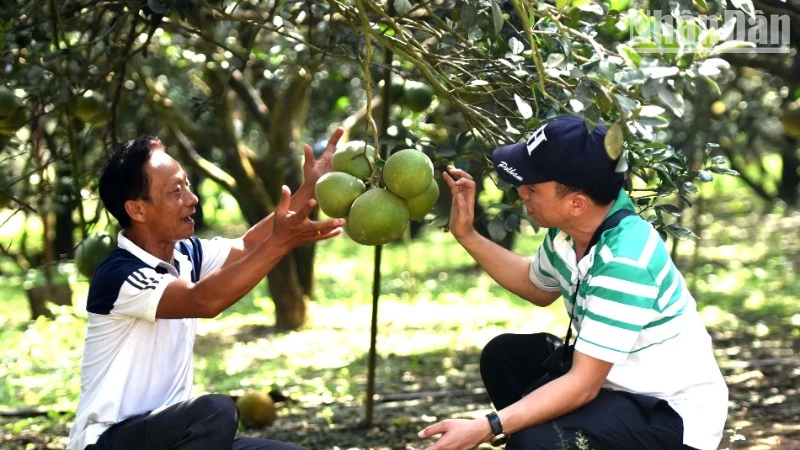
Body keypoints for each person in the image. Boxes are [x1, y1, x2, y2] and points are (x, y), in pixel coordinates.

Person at [414, 116, 728, 450]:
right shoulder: (571, 233)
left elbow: (582, 386)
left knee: (535, 443)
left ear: (576, 203)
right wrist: (467, 235)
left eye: (532, 187)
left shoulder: (625, 261)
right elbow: (535, 285)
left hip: (668, 415)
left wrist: (486, 427)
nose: (521, 193)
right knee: (505, 357)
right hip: (613, 385)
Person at [67, 129, 347, 450]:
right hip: (109, 441)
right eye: (176, 191)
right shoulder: (120, 275)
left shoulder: (186, 254)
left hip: (176, 438)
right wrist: (280, 243)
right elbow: (202, 300)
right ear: (137, 210)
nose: (192, 197)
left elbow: (247, 245)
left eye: (187, 184)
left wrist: (311, 187)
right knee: (215, 411)